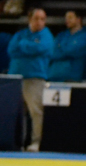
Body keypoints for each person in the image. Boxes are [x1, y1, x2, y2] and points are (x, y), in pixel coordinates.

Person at [8, 8, 53, 151]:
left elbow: (40, 49)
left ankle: (36, 142)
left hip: (35, 78)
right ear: (30, 19)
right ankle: (17, 142)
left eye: (42, 19)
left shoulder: (46, 35)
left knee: (36, 112)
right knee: (16, 113)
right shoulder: (20, 34)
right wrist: (30, 47)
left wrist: (23, 45)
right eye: (36, 18)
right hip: (16, 78)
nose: (39, 22)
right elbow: (11, 50)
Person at [47, 10, 86, 83]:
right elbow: (52, 52)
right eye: (66, 18)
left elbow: (72, 51)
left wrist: (61, 47)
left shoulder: (85, 36)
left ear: (78, 19)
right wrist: (66, 50)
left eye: (70, 17)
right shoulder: (61, 35)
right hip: (54, 76)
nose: (67, 20)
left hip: (72, 78)